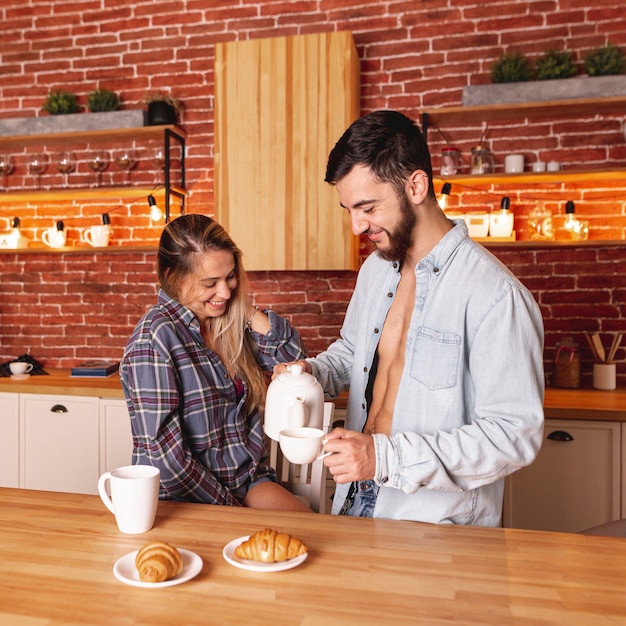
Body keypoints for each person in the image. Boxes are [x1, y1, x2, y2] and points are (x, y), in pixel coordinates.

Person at [275, 110, 545, 525]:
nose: (355, 226)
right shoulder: (376, 270)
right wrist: (311, 371)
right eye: (348, 209)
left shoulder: (495, 295)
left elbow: (513, 436)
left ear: (416, 185)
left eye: (367, 207)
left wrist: (385, 457)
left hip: (432, 524)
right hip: (356, 497)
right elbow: (355, 351)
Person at [120, 213, 311, 512]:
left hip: (246, 483)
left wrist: (242, 308)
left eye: (230, 276)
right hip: (188, 501)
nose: (225, 291)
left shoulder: (225, 321)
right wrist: (231, 509)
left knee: (315, 534)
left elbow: (293, 361)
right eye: (210, 282)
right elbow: (168, 462)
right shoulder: (155, 339)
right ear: (171, 277)